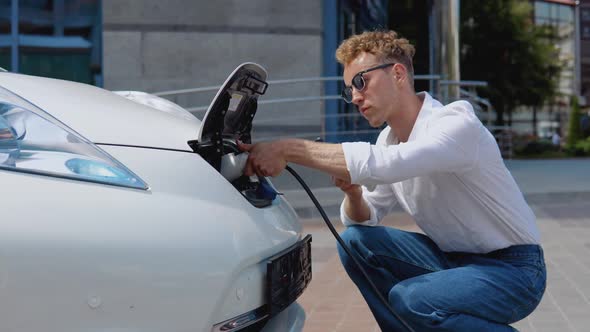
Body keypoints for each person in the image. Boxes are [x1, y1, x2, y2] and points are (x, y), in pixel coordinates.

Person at [238, 30, 545, 332]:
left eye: (361, 81)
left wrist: (287, 149)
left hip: (514, 271)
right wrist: (356, 195)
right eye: (349, 89)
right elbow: (365, 218)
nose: (356, 97)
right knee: (355, 242)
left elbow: (388, 165)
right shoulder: (389, 139)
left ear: (398, 73)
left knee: (413, 300)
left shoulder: (455, 123)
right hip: (454, 263)